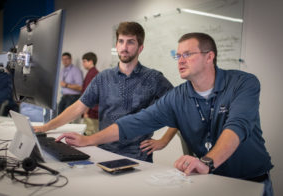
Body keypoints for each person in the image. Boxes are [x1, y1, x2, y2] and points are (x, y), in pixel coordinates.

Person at [56, 33, 273, 196]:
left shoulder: (243, 83)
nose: (180, 60)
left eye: (187, 54)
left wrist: (207, 162)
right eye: (177, 55)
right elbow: (134, 123)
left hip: (249, 182)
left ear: (210, 57)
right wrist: (88, 140)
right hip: (208, 183)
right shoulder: (177, 96)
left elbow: (237, 125)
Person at [35, 22, 177, 162]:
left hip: (138, 156)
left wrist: (164, 141)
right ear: (116, 45)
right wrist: (46, 127)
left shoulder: (154, 78)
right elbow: (79, 107)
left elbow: (178, 109)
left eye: (131, 42)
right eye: (121, 41)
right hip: (104, 151)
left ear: (140, 48)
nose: (124, 47)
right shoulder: (103, 77)